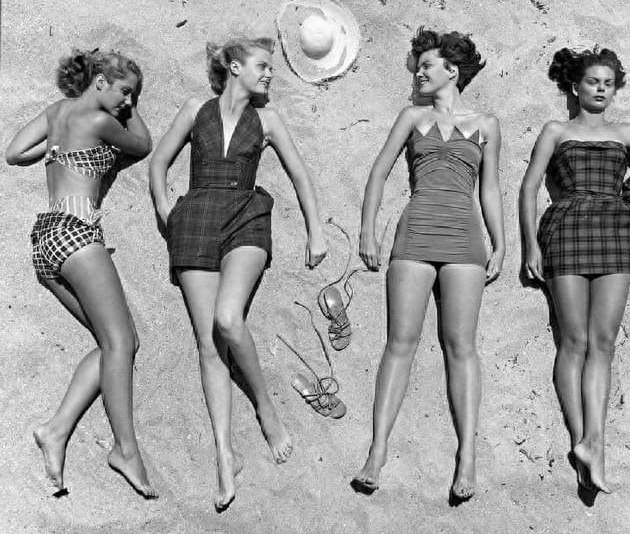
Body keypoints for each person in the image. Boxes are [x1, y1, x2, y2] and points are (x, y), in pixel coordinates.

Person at [149, 37, 327, 510]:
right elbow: (159, 162)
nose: (270, 74)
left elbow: (300, 175)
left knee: (228, 320)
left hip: (247, 214)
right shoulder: (194, 108)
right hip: (195, 219)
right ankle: (225, 454)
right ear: (234, 66)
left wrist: (315, 230)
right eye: (263, 66)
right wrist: (169, 212)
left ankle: (266, 408)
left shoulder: (267, 120)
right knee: (209, 345)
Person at [519, 47, 630, 494]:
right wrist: (529, 245)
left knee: (603, 343)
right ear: (576, 86)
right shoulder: (556, 129)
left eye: (608, 84)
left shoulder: (626, 133)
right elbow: (531, 186)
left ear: (615, 90)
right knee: (572, 340)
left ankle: (596, 443)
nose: (600, 90)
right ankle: (582, 440)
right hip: (568, 228)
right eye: (593, 82)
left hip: (616, 232)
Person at [353, 28, 505, 502]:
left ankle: (467, 458)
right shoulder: (412, 117)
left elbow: (491, 189)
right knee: (400, 342)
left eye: (427, 65)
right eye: (418, 66)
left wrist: (501, 243)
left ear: (452, 71)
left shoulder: (487, 123)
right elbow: (379, 171)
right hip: (415, 232)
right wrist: (367, 229)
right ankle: (377, 452)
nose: (419, 72)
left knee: (461, 346)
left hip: (464, 238)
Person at [6, 49, 157, 498]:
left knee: (113, 343)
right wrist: (132, 111)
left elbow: (13, 152)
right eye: (124, 90)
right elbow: (143, 144)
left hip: (45, 241)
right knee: (122, 342)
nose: (127, 101)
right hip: (76, 233)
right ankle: (125, 449)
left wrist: (52, 150)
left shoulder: (56, 113)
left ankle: (55, 431)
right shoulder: (99, 122)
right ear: (99, 82)